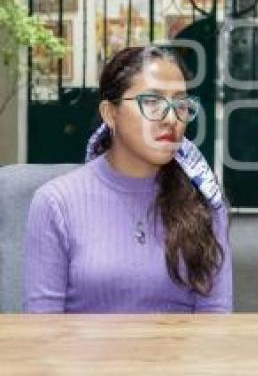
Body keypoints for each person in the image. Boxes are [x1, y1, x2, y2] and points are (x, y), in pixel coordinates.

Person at [24, 46, 232, 313]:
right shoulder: (57, 203)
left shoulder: (202, 200)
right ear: (110, 114)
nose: (171, 118)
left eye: (180, 104)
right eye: (152, 102)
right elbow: (42, 326)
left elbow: (216, 317)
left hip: (180, 342)